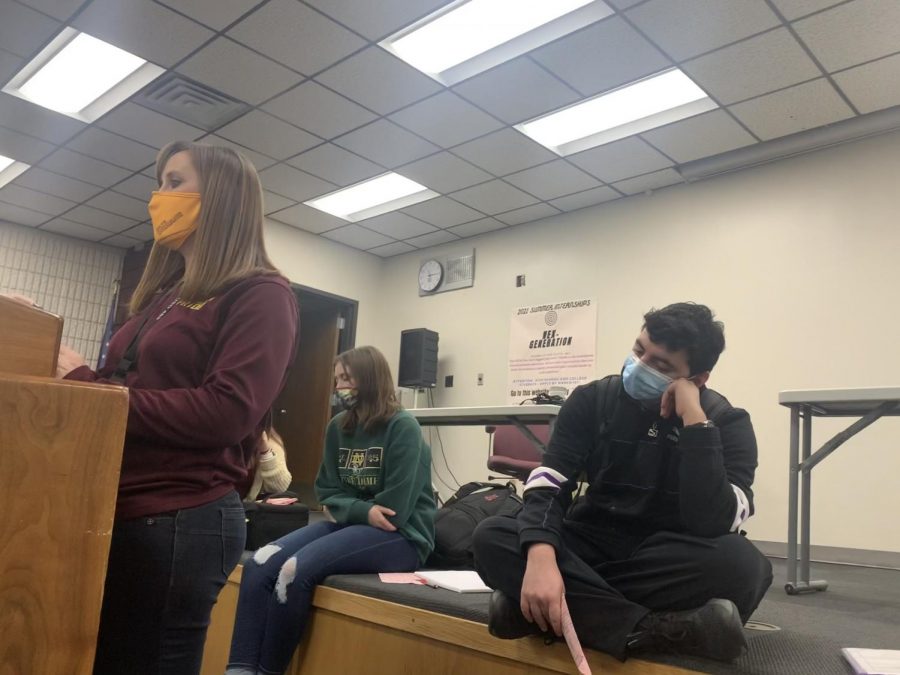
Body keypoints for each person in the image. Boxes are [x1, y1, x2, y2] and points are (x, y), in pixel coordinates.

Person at [58, 140, 299, 674]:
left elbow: (226, 411)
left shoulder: (261, 293)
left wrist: (88, 388)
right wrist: (79, 384)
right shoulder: (168, 293)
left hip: (177, 519)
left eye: (173, 182)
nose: (157, 198)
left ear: (220, 197)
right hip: (119, 506)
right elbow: (130, 387)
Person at [473, 302, 773, 663]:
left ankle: (544, 611)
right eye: (638, 350)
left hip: (666, 553)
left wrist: (695, 423)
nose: (641, 366)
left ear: (698, 379)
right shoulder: (592, 400)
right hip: (591, 541)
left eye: (661, 365)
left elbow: (714, 521)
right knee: (492, 537)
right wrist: (540, 555)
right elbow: (548, 483)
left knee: (745, 567)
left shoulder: (728, 423)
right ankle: (658, 630)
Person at [226, 345, 436, 675]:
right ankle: (239, 669)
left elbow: (394, 511)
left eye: (346, 379)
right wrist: (362, 511)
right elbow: (326, 491)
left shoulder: (403, 427)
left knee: (294, 570)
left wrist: (346, 508)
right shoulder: (339, 426)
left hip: (403, 538)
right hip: (356, 524)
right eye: (337, 379)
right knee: (261, 562)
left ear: (369, 379)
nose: (339, 388)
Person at [244, 428, 293, 502]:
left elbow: (280, 488)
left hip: (250, 509)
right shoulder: (225, 436)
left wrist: (265, 451)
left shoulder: (271, 442)